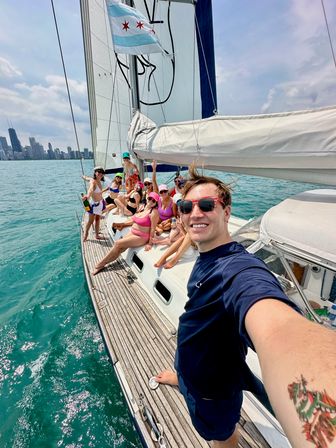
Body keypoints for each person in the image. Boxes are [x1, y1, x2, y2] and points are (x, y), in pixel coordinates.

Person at [155, 165, 336, 448]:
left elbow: (280, 328)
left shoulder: (238, 269)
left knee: (222, 438)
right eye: (186, 207)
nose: (195, 213)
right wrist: (183, 376)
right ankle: (181, 379)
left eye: (206, 205)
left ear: (226, 212)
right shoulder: (208, 254)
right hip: (192, 375)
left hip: (213, 395)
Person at [93, 192, 160, 275]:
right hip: (133, 232)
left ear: (156, 203)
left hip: (141, 236)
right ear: (147, 198)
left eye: (153, 201)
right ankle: (104, 263)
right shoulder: (143, 207)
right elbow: (133, 220)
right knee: (120, 248)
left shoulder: (154, 212)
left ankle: (100, 264)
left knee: (117, 243)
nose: (151, 201)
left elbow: (153, 228)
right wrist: (123, 224)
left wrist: (150, 243)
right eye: (150, 198)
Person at [82, 167, 106, 242]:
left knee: (98, 219)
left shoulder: (99, 181)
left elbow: (87, 178)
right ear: (95, 173)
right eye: (98, 172)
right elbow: (91, 189)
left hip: (100, 204)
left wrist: (83, 176)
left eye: (102, 173)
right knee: (90, 221)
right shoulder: (93, 181)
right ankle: (85, 235)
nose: (100, 174)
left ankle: (96, 234)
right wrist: (87, 196)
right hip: (93, 205)